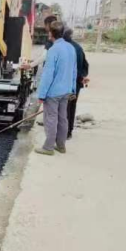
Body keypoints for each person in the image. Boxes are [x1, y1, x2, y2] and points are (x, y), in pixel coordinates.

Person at [35, 21, 77, 156]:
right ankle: (61, 145)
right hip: (66, 90)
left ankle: (48, 148)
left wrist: (41, 95)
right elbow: (74, 70)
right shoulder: (71, 48)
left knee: (51, 119)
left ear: (51, 33)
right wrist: (73, 89)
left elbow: (48, 74)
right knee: (63, 118)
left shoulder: (53, 50)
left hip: (53, 92)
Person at [64, 28, 90, 139]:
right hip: (76, 84)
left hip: (65, 83)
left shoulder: (64, 48)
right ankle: (69, 131)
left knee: (64, 108)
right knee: (71, 106)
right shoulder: (78, 48)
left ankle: (64, 132)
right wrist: (82, 77)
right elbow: (85, 66)